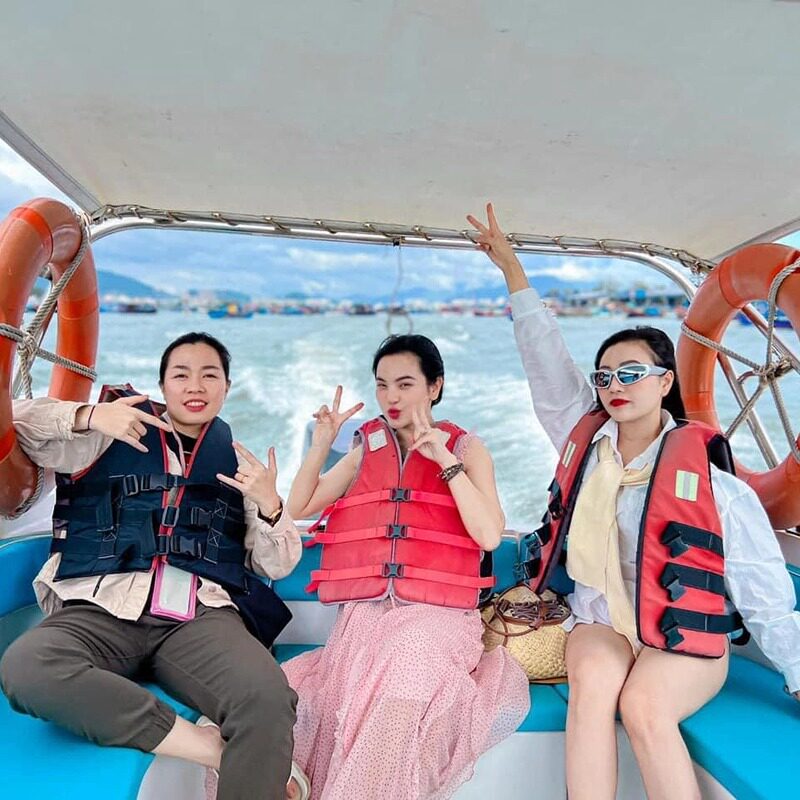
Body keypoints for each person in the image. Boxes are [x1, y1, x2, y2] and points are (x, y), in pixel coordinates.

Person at [468, 204, 800, 800]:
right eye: (604, 376)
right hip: (603, 622)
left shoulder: (715, 486)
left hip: (682, 635)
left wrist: (798, 675)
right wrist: (514, 273)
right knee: (592, 693)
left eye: (631, 373)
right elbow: (546, 364)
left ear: (666, 381)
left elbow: (764, 594)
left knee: (645, 707)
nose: (614, 386)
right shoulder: (585, 447)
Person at [0, 332, 308, 800]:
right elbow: (15, 422)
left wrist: (270, 505)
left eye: (209, 375)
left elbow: (276, 564)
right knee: (27, 666)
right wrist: (89, 415)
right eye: (181, 375)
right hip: (102, 608)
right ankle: (209, 749)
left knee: (267, 698)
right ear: (163, 385)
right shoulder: (108, 433)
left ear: (227, 387)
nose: (195, 386)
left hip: (199, 619)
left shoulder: (241, 466)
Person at [282, 334, 529, 800]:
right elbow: (299, 506)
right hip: (368, 617)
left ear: (435, 387)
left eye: (405, 384)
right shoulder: (366, 449)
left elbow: (489, 535)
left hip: (438, 618)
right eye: (382, 385)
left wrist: (445, 462)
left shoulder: (467, 449)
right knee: (328, 687)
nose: (391, 397)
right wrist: (322, 444)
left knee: (404, 656)